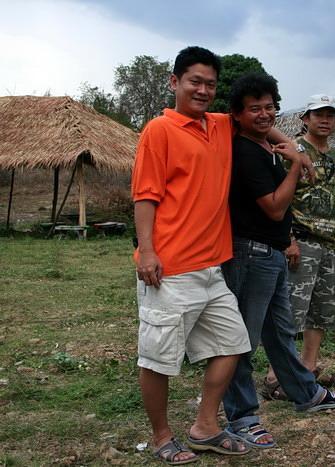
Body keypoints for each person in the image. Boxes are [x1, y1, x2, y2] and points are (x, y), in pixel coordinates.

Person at [132, 46, 251, 465]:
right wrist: (147, 251)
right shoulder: (159, 131)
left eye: (210, 84)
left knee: (233, 344)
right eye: (194, 81)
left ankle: (204, 426)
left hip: (210, 267)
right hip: (168, 268)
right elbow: (145, 196)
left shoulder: (219, 125)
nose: (203, 90)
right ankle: (163, 437)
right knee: (159, 359)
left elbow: (254, 119)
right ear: (175, 82)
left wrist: (288, 147)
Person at [221, 74, 335, 450]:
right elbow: (276, 209)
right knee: (243, 338)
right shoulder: (245, 153)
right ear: (236, 114)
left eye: (269, 107)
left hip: (272, 254)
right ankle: (242, 416)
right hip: (252, 253)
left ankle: (305, 393)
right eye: (254, 108)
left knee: (280, 333)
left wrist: (291, 150)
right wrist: (296, 163)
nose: (264, 114)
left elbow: (274, 133)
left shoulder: (264, 144)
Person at [266, 94, 335, 387]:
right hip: (300, 241)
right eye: (318, 114)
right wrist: (287, 238)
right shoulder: (292, 150)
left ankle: (308, 366)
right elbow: (279, 197)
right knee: (290, 309)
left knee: (322, 311)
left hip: (329, 244)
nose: (324, 120)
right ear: (305, 119)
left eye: (330, 115)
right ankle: (277, 373)